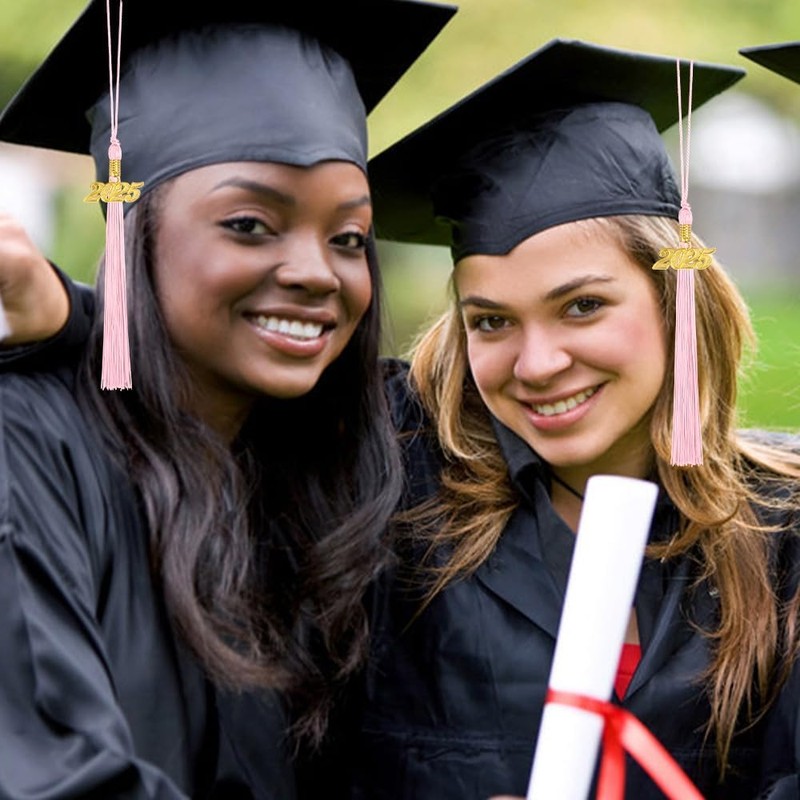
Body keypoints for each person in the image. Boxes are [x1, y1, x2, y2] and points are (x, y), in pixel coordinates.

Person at [0, 0, 455, 797]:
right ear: (128, 227)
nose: (319, 271)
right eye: (250, 224)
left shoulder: (333, 469)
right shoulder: (25, 446)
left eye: (349, 237)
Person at [327, 39, 800, 798]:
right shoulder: (387, 488)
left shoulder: (784, 533)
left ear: (673, 297)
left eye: (583, 306)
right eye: (491, 322)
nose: (537, 363)